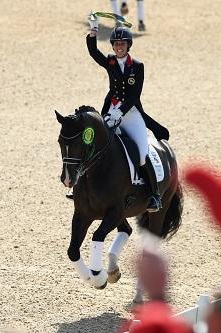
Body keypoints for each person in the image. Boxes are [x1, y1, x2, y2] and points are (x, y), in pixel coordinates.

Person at [86, 15, 169, 212]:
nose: (118, 47)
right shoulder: (110, 62)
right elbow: (92, 51)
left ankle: (154, 195)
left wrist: (120, 113)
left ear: (128, 45)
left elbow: (134, 96)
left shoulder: (137, 67)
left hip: (131, 114)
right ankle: (82, 186)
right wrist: (93, 31)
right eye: (116, 44)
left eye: (122, 44)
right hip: (111, 111)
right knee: (94, 146)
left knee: (141, 153)